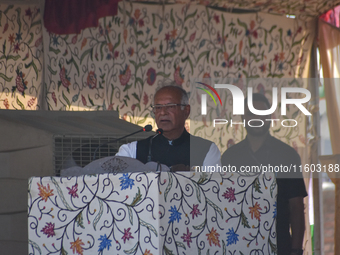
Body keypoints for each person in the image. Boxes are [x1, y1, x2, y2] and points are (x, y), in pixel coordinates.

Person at [221, 93, 307, 255]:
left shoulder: (287, 155)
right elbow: (224, 205)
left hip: (279, 243)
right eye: (252, 113)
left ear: (270, 116)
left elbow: (296, 206)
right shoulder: (229, 157)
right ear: (243, 117)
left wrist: (296, 250)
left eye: (262, 113)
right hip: (238, 242)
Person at [116, 84, 221, 171]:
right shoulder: (131, 151)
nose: (163, 112)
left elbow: (212, 190)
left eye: (170, 106)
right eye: (158, 107)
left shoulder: (206, 150)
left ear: (186, 111)